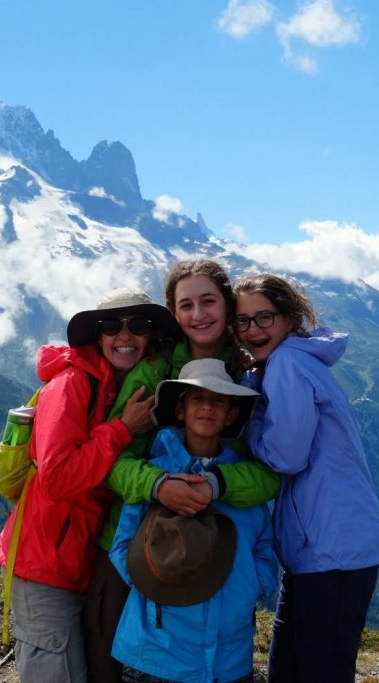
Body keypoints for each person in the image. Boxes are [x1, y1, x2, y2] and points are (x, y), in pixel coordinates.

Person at [83, 260, 279, 683]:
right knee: (116, 661)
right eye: (185, 305)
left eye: (208, 302)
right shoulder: (152, 373)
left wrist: (215, 485)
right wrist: (157, 485)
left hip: (224, 549)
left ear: (226, 306)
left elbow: (269, 472)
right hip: (136, 538)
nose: (198, 315)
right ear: (173, 313)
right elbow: (112, 461)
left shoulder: (248, 377)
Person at [0, 288, 182, 683]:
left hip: (74, 562)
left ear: (151, 338)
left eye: (139, 326)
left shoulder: (114, 387)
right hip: (44, 566)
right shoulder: (73, 384)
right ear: (98, 336)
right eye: (113, 326)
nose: (125, 336)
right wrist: (121, 430)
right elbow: (58, 478)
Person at [233, 273, 379, 683]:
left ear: (288, 317)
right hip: (324, 548)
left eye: (264, 317)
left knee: (316, 670)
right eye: (244, 321)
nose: (253, 330)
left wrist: (245, 420)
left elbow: (286, 455)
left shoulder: (287, 363)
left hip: (332, 551)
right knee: (293, 669)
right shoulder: (293, 361)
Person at [109, 358, 278, 683]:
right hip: (157, 654)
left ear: (230, 414)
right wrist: (155, 590)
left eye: (218, 400)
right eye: (197, 399)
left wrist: (249, 589)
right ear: (180, 410)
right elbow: (123, 546)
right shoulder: (156, 473)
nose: (207, 408)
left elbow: (264, 545)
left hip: (230, 659)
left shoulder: (240, 481)